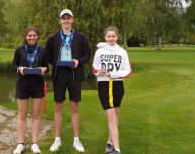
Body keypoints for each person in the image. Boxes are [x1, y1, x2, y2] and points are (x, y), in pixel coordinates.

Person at [45, 9, 91, 152]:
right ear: (60, 21)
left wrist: (78, 61)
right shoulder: (53, 38)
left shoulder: (81, 37)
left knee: (74, 107)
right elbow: (47, 56)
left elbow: (88, 55)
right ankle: (57, 140)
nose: (66, 20)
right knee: (58, 107)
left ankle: (76, 140)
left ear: (72, 20)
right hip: (59, 74)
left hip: (74, 74)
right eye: (63, 18)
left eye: (68, 18)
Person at [91, 26, 132, 154]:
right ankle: (117, 150)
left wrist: (114, 74)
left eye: (113, 36)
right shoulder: (100, 52)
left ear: (117, 37)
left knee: (115, 114)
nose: (111, 38)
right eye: (109, 36)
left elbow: (128, 71)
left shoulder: (122, 52)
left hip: (117, 85)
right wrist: (99, 72)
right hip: (103, 85)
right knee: (110, 115)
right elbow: (94, 68)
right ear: (105, 37)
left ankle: (110, 142)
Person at [12, 27, 48, 154]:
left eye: (34, 35)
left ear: (37, 36)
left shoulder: (42, 51)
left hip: (37, 85)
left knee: (36, 115)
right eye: (29, 35)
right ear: (26, 37)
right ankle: (21, 144)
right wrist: (19, 69)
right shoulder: (19, 50)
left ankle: (35, 143)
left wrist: (44, 69)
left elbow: (46, 66)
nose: (32, 37)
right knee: (22, 114)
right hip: (22, 85)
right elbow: (13, 65)